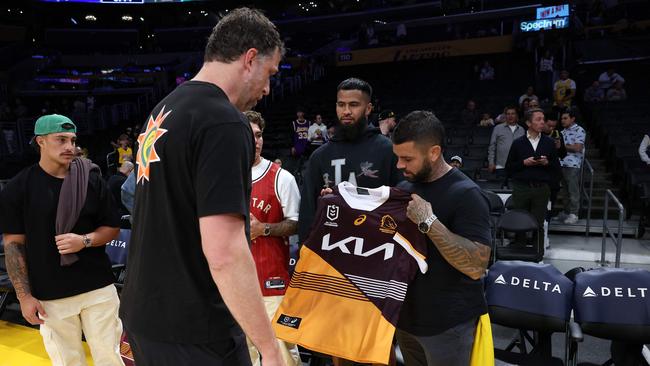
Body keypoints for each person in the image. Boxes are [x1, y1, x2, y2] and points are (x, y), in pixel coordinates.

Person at [119, 8, 285, 366]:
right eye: (270, 73)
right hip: (193, 328)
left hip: (142, 314)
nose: (268, 88)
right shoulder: (223, 122)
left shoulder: (164, 109)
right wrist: (270, 348)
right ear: (250, 58)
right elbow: (224, 252)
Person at [0, 114, 124, 366]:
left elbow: (112, 228)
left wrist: (84, 241)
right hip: (50, 293)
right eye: (61, 139)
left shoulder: (91, 179)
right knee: (67, 362)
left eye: (73, 140)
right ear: (41, 141)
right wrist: (24, 297)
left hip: (98, 287)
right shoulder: (18, 187)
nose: (70, 147)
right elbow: (13, 245)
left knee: (110, 358)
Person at [392, 110, 492, 365]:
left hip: (448, 327)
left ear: (434, 152)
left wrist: (428, 221)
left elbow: (476, 266)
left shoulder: (467, 194)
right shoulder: (404, 189)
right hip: (406, 320)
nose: (399, 165)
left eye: (407, 159)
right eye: (398, 158)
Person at [298, 77, 402, 243]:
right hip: (331, 251)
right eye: (341, 104)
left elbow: (401, 203)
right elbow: (308, 212)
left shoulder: (388, 150)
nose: (346, 111)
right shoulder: (320, 156)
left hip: (377, 249)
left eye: (353, 105)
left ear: (368, 109)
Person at [244, 111, 301, 366]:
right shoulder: (223, 177)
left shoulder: (281, 177)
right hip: (235, 284)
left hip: (272, 281)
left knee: (281, 355)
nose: (256, 141)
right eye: (249, 135)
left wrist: (264, 229)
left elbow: (295, 224)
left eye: (259, 135)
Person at [506, 108, 562, 246]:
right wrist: (524, 163)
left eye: (543, 119)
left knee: (539, 224)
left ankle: (538, 255)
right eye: (538, 119)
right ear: (528, 123)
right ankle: (519, 252)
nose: (543, 122)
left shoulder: (549, 143)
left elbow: (557, 168)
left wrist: (547, 162)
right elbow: (509, 167)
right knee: (520, 223)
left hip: (541, 189)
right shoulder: (518, 143)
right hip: (521, 188)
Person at [556, 109, 586, 224]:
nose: (562, 120)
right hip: (561, 163)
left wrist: (562, 146)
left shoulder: (580, 130)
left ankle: (574, 214)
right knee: (565, 191)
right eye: (562, 118)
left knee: (573, 191)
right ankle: (567, 212)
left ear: (572, 119)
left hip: (573, 165)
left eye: (565, 118)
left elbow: (578, 148)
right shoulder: (562, 132)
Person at [487, 105, 525, 178]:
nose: (510, 116)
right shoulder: (497, 128)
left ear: (516, 115)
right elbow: (492, 147)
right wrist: (491, 163)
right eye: (508, 114)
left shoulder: (522, 130)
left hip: (517, 167)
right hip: (501, 166)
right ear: (505, 116)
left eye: (513, 114)